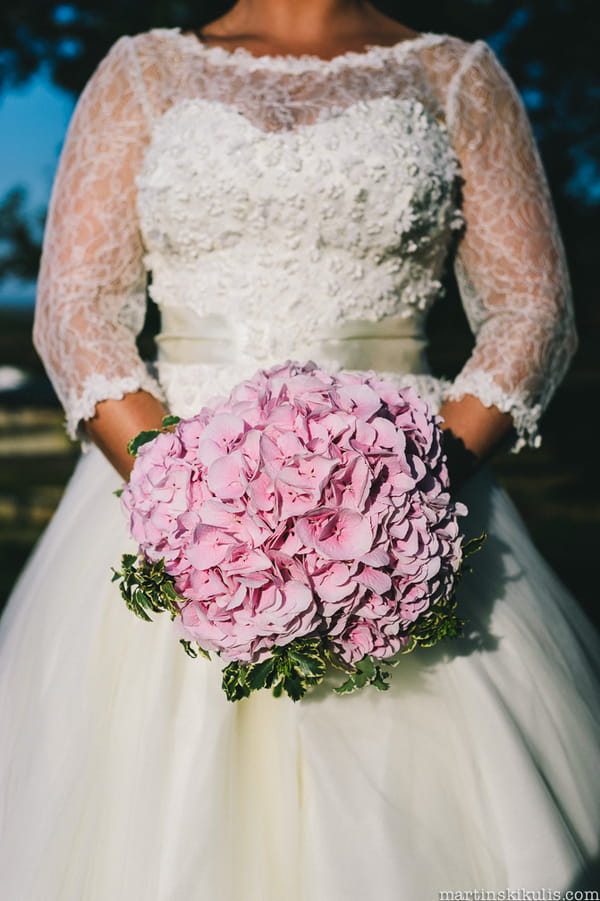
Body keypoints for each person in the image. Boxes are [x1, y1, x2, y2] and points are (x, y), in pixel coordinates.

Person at [1, 0, 599, 897]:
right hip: (169, 497)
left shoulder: (458, 76)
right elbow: (77, 310)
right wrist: (191, 496)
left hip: (416, 494)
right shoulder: (142, 72)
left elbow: (532, 312)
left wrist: (400, 495)